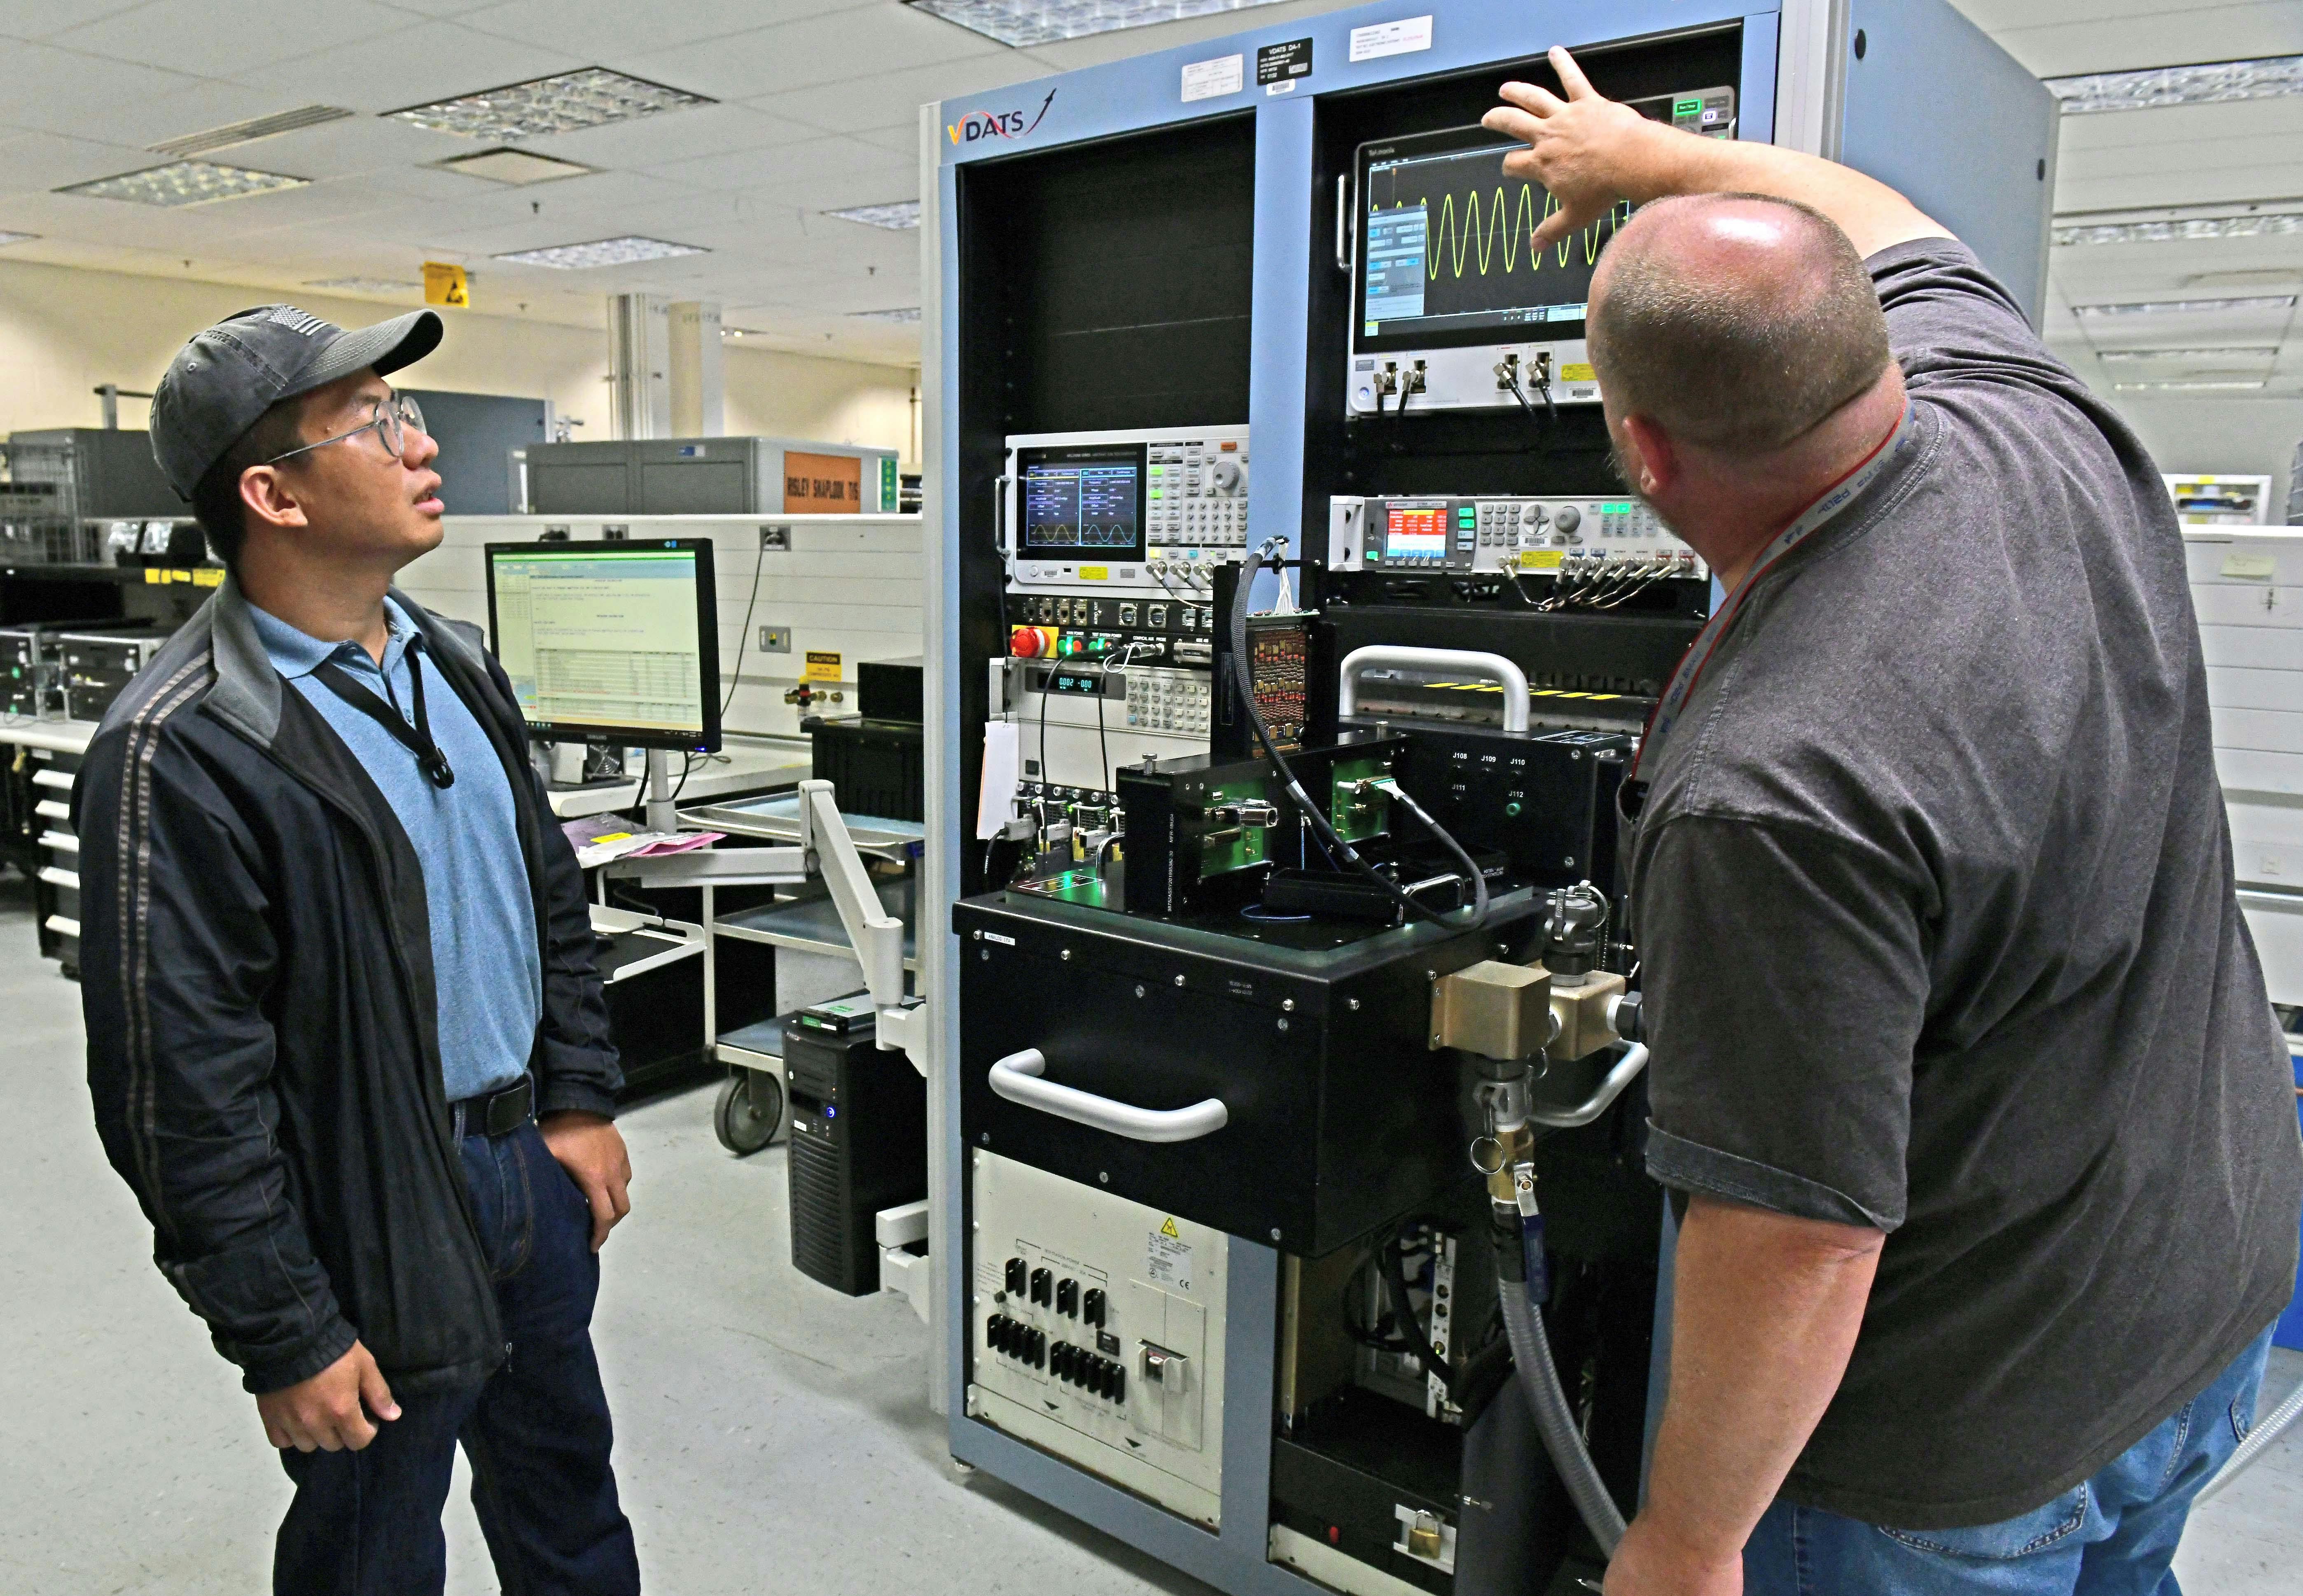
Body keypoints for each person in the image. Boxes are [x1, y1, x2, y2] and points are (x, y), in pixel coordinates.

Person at [1486, 48, 2303, 1596]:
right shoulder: (2034, 418)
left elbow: (1799, 1236)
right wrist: (1639, 152)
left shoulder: (1772, 780)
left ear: (1646, 456)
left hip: (1965, 1437)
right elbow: (1880, 210)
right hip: (2203, 1293)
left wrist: (1688, 1540)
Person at [76, 303, 641, 1595]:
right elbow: (182, 1089)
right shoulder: (182, 747)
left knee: (571, 1506)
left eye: (409, 411)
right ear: (271, 494)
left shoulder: (450, 658)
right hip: (367, 1210)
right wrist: (283, 1329)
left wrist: (578, 1099)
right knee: (373, 1551)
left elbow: (545, 890)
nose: (421, 441)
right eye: (377, 421)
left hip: (526, 1173)